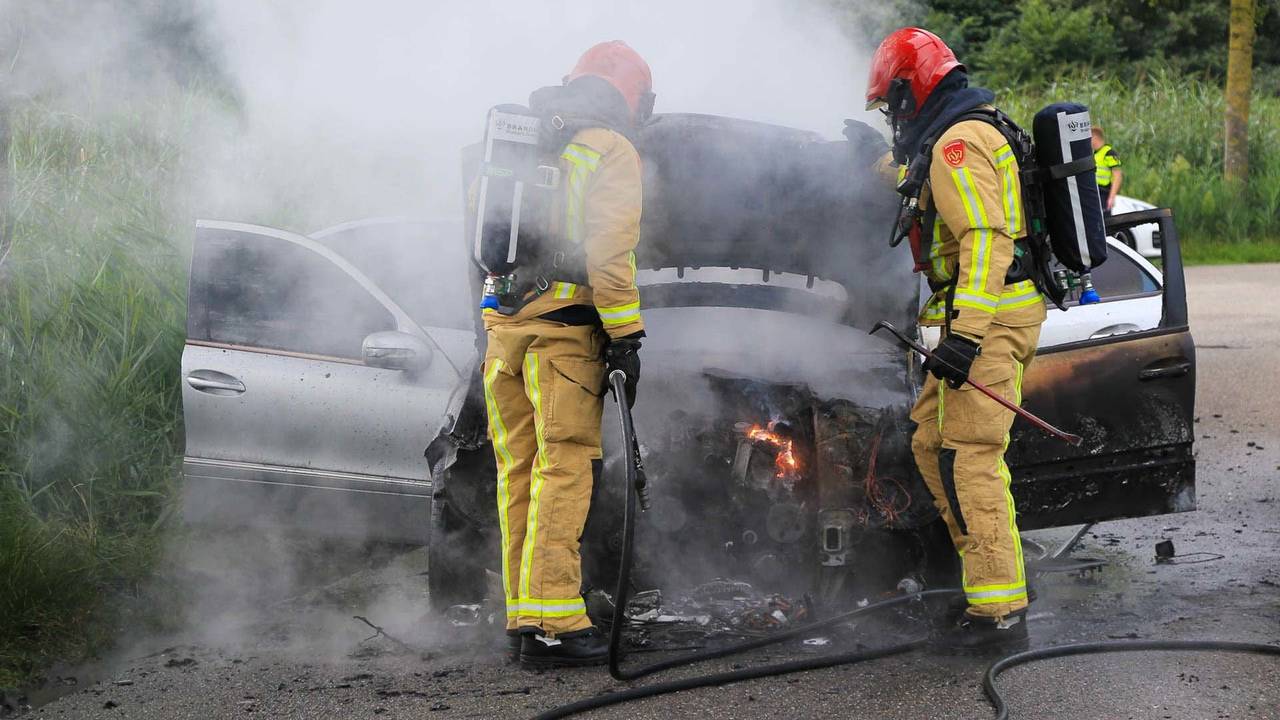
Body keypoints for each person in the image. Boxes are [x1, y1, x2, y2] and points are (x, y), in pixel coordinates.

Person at [864, 27, 1046, 652]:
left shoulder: (961, 142)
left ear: (913, 92)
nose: (892, 116)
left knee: (970, 457)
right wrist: (866, 160)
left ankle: (999, 614)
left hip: (989, 321)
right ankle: (987, 581)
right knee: (931, 443)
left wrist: (964, 336)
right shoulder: (954, 135)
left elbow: (987, 239)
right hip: (979, 318)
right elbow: (918, 185)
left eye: (892, 105)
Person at [481, 41, 652, 667]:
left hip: (505, 334)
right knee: (566, 466)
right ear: (630, 95)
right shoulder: (610, 147)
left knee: (519, 474)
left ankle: (527, 618)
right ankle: (556, 624)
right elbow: (610, 256)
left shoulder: (527, 140)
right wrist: (626, 336)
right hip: (561, 336)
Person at [1092, 125, 1122, 215]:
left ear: (1095, 137)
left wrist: (1111, 197)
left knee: (1105, 224)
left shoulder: (1109, 153)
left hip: (1103, 194)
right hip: (1095, 192)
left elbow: (1118, 176)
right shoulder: (1095, 153)